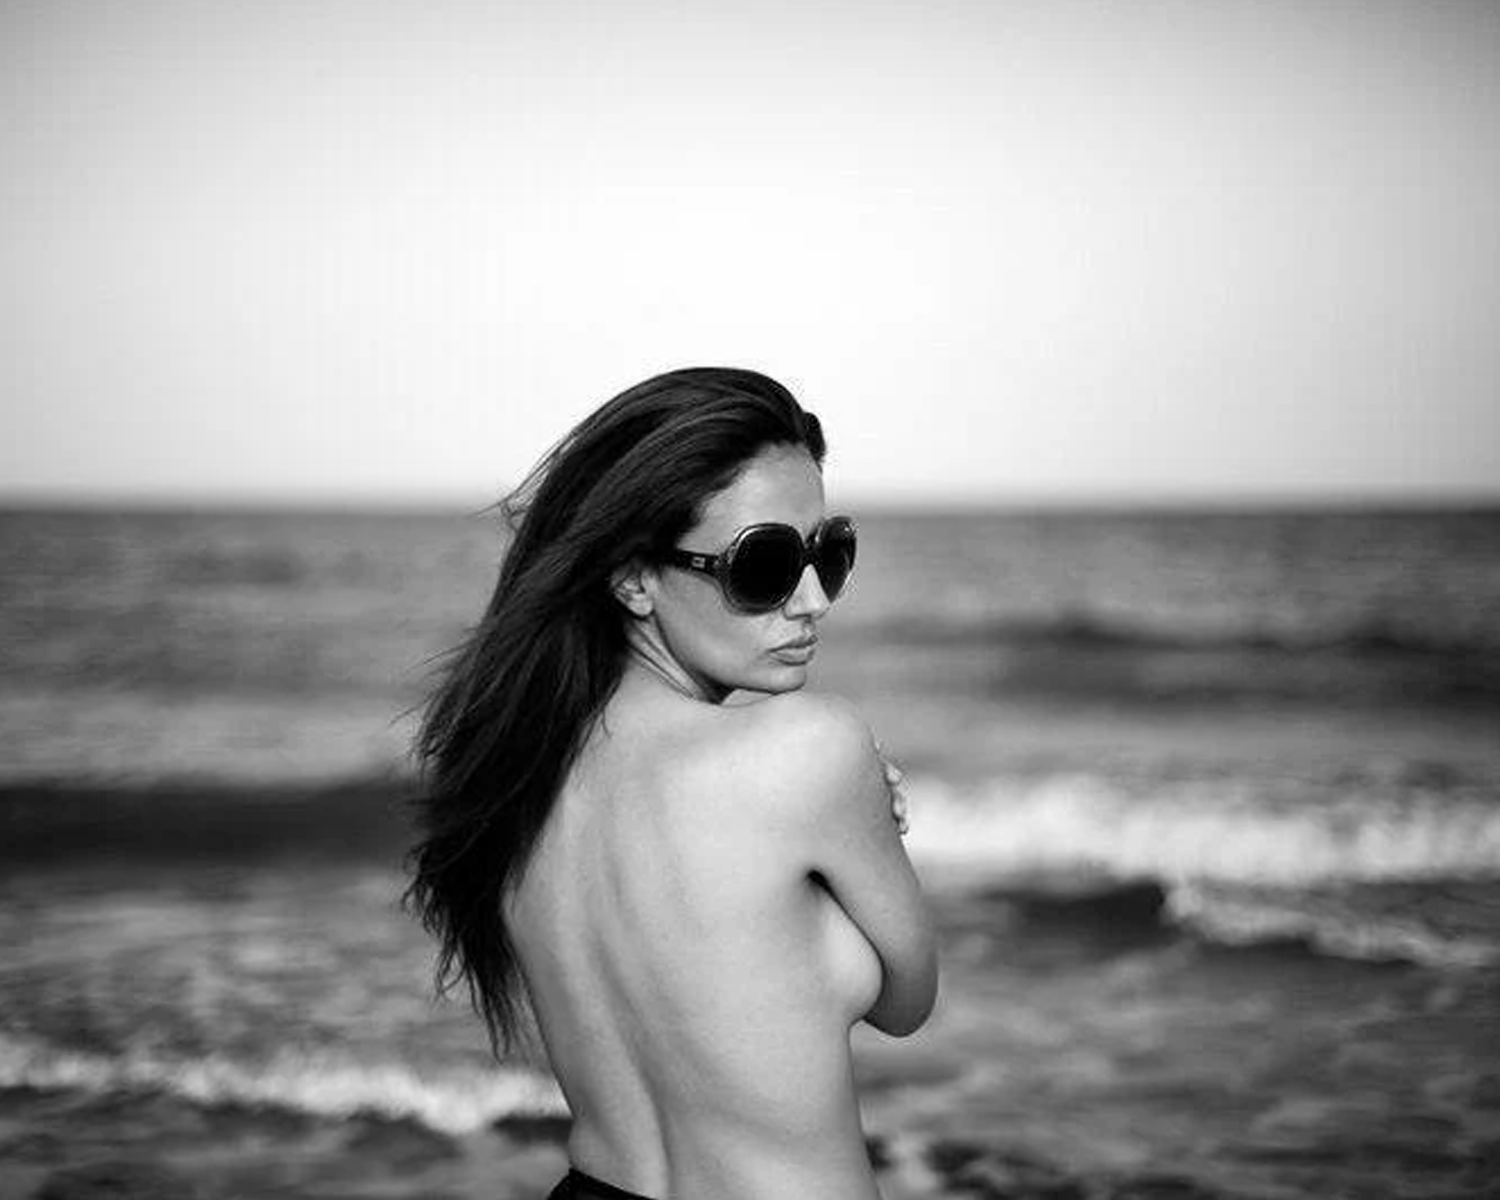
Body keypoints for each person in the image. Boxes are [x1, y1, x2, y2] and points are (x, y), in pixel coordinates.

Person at [405, 368, 937, 1200]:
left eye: (828, 552)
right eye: (762, 564)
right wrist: (871, 827)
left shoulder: (518, 781)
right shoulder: (810, 749)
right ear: (633, 579)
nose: (812, 599)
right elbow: (907, 1003)